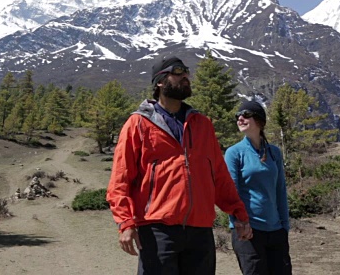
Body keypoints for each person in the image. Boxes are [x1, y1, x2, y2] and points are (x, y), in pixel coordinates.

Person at [106, 55, 253, 275]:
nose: (185, 77)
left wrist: (239, 213)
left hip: (200, 231)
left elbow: (219, 176)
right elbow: (121, 178)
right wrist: (125, 223)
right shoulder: (138, 123)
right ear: (160, 82)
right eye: (178, 72)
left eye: (186, 73)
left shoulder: (202, 124)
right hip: (157, 229)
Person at [225, 100, 292, 275]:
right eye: (237, 116)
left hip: (276, 230)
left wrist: (284, 226)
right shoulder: (234, 153)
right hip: (248, 231)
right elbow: (231, 191)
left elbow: (280, 190)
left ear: (259, 121)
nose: (240, 118)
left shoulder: (274, 152)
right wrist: (239, 223)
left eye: (245, 115)